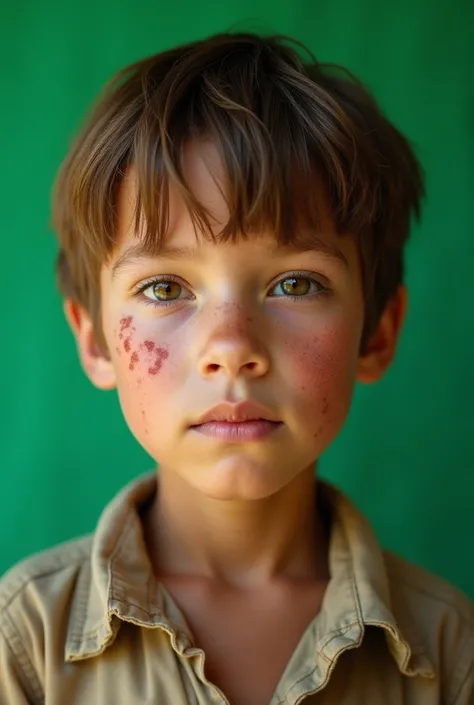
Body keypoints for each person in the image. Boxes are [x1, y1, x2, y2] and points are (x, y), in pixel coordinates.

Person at [0, 31, 472, 705]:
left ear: (377, 332)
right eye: (165, 288)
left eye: (295, 284)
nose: (231, 345)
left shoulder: (449, 650)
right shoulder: (24, 641)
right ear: (96, 340)